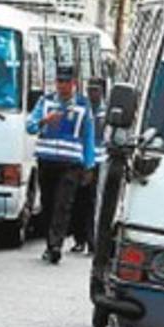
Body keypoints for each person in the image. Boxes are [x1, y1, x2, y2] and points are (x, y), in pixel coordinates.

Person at [26, 64, 95, 264]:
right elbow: (29, 126)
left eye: (66, 82)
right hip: (47, 161)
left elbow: (88, 136)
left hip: (71, 164)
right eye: (59, 82)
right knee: (47, 204)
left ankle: (55, 245)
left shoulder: (83, 105)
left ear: (74, 83)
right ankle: (50, 243)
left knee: (63, 205)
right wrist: (44, 121)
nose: (62, 86)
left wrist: (89, 165)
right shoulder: (45, 102)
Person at [70, 78, 108, 255]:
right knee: (78, 202)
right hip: (80, 160)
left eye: (96, 90)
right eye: (90, 90)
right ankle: (79, 239)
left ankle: (92, 242)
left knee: (93, 203)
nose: (92, 93)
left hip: (98, 162)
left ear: (102, 92)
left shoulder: (106, 114)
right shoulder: (81, 110)